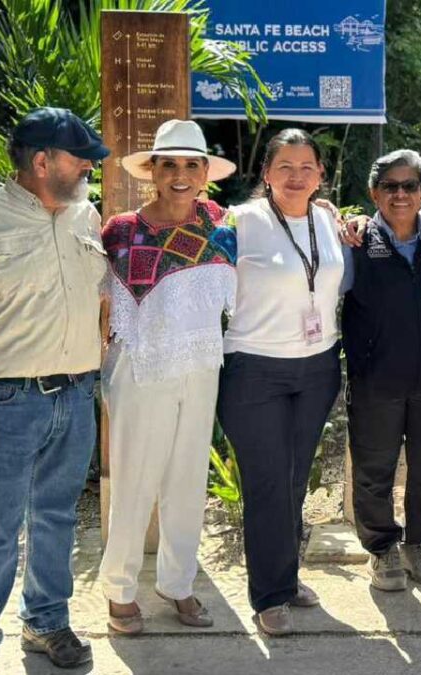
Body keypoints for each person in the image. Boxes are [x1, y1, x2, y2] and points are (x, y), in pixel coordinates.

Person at [0, 107, 108, 674]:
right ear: (42, 161)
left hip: (75, 395)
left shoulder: (86, 216)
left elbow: (98, 297)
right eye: (80, 158)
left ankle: (47, 621)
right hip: (5, 401)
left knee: (57, 517)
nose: (89, 167)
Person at [97, 119, 237, 634]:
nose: (181, 174)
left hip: (200, 368)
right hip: (141, 368)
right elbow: (100, 303)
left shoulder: (223, 227)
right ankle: (119, 589)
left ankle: (178, 584)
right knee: (134, 481)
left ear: (205, 173)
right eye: (169, 164)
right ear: (153, 171)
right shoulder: (120, 231)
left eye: (191, 165)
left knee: (187, 480)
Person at [217, 129, 349, 635]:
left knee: (294, 479)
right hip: (255, 368)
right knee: (267, 481)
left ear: (320, 175)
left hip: (317, 367)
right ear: (266, 174)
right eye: (285, 167)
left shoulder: (327, 220)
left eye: (306, 167)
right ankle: (269, 595)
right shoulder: (239, 221)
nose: (296, 176)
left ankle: (286, 578)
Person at [342, 150, 421, 592]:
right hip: (377, 377)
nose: (400, 194)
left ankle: (419, 544)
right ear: (374, 193)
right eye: (389, 186)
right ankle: (382, 548)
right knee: (375, 468)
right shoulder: (357, 241)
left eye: (410, 185)